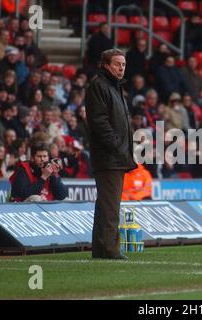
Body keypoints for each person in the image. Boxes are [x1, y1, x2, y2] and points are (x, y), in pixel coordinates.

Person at [85, 48, 137, 260]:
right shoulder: (99, 85)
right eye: (117, 64)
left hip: (115, 155)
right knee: (110, 207)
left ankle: (100, 248)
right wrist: (116, 145)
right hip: (109, 156)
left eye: (123, 64)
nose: (121, 68)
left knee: (106, 205)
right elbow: (99, 121)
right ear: (106, 65)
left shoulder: (114, 87)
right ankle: (110, 249)